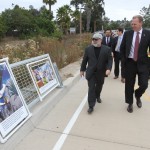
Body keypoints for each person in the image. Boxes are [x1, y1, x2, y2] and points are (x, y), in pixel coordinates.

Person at [120, 15, 150, 113]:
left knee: (144, 84)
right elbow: (122, 48)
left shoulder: (148, 34)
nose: (133, 26)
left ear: (141, 23)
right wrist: (123, 62)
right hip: (130, 63)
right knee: (129, 85)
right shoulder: (127, 34)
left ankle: (137, 95)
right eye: (132, 24)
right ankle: (130, 103)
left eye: (135, 24)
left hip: (143, 64)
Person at [80, 33, 113, 114]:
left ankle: (97, 95)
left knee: (99, 86)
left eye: (96, 39)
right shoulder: (88, 49)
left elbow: (110, 60)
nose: (94, 41)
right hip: (91, 72)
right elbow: (85, 60)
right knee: (91, 88)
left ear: (101, 40)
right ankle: (91, 106)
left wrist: (108, 69)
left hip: (101, 72)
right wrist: (82, 70)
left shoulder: (107, 49)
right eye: (93, 39)